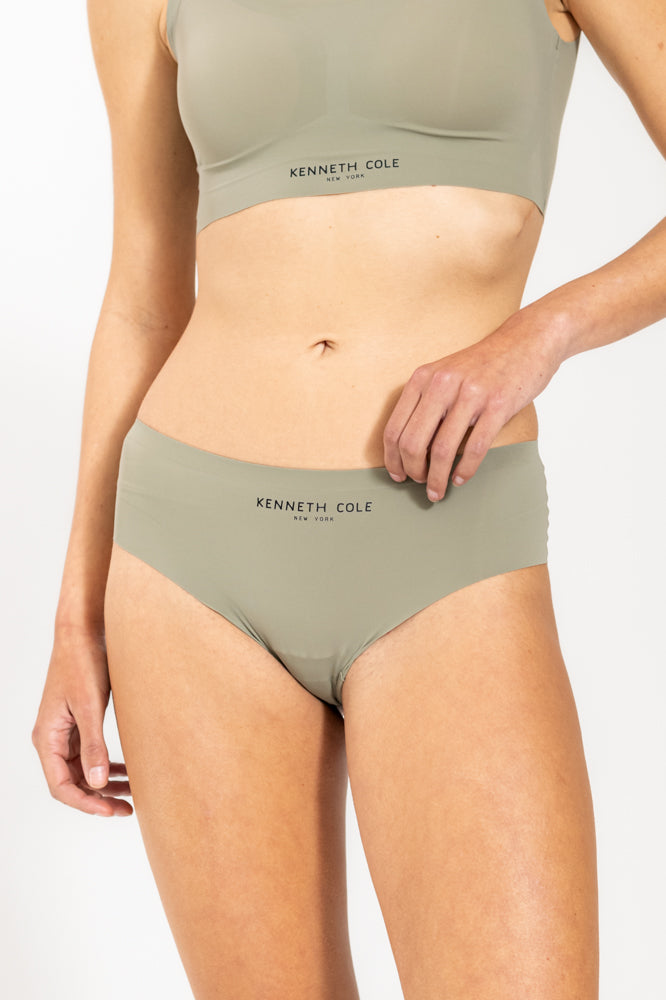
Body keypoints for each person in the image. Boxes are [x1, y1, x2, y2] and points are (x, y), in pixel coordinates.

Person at [31, 0, 665, 997]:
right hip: (191, 561)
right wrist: (77, 619)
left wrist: (541, 335)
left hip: (446, 537)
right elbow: (144, 299)